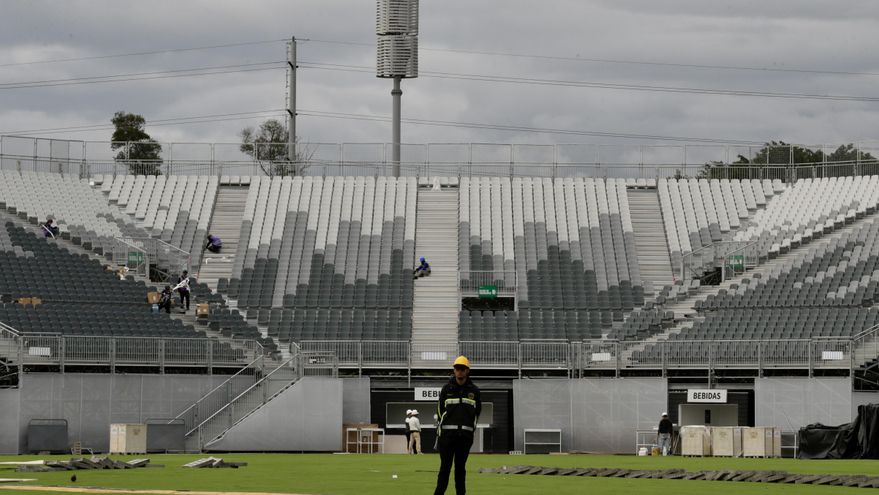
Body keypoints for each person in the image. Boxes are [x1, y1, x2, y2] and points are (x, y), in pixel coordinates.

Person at [434, 355, 481, 495]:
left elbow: (477, 413)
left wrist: (470, 432)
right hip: (447, 438)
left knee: (460, 469)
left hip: (464, 438)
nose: (459, 371)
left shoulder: (475, 391)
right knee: (445, 469)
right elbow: (439, 410)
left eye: (462, 368)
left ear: (467, 371)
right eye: (457, 368)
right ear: (454, 371)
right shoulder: (446, 389)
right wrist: (441, 433)